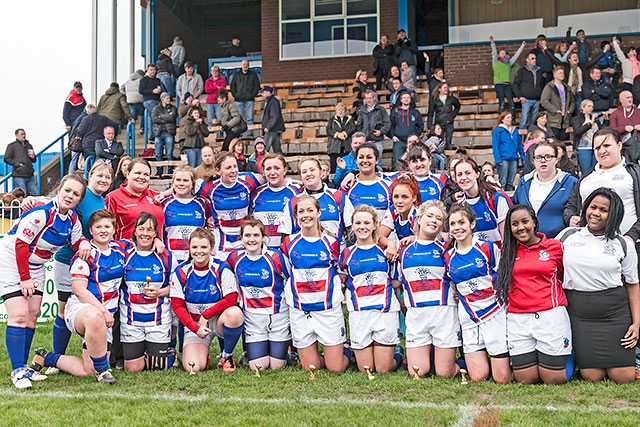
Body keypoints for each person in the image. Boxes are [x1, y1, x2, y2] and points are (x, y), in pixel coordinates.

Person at [0, 174, 90, 388]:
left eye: (76, 194)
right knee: (19, 315)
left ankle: (25, 369)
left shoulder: (72, 219)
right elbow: (21, 245)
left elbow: (77, 242)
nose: (70, 196)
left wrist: (85, 241)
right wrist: (25, 279)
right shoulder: (42, 211)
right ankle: (17, 371)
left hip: (37, 264)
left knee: (32, 316)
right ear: (59, 189)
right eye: (67, 190)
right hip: (13, 259)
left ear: (79, 200)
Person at [29, 209, 124, 384]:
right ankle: (104, 371)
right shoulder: (85, 254)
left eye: (107, 226)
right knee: (95, 315)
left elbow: (142, 242)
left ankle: (46, 357)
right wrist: (103, 311)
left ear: (114, 229)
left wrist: (156, 240)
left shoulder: (121, 249)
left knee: (88, 370)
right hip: (82, 310)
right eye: (98, 227)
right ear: (91, 230)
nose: (103, 230)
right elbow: (79, 290)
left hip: (105, 318)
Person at [558, 188, 639, 384]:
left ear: (614, 215)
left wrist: (637, 323)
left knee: (624, 377)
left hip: (615, 313)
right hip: (580, 314)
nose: (596, 213)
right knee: (591, 376)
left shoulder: (623, 244)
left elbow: (633, 284)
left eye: (604, 210)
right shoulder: (568, 235)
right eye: (593, 207)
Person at [496, 205, 572, 384]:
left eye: (525, 221)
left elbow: (564, 275)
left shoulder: (554, 247)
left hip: (550, 317)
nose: (520, 227)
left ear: (534, 222)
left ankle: (566, 354)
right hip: (518, 319)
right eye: (514, 224)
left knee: (553, 380)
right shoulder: (506, 251)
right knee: (525, 380)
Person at [281, 195, 351, 373]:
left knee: (335, 368)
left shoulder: (332, 242)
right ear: (296, 216)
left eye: (310, 210)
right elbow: (288, 271)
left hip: (327, 310)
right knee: (311, 368)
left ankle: (349, 351)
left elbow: (341, 270)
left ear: (319, 212)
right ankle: (321, 355)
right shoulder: (289, 242)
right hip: (301, 309)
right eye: (301, 211)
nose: (306, 215)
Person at [443, 203, 512, 384]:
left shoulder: (488, 248)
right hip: (469, 316)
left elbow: (505, 278)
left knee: (502, 379)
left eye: (461, 222)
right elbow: (451, 283)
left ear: (472, 224)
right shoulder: (448, 256)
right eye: (453, 224)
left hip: (493, 312)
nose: (457, 228)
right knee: (477, 377)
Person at [394, 200, 461, 378]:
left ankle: (465, 363)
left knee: (444, 373)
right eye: (429, 216)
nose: (433, 220)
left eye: (438, 218)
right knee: (418, 372)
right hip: (417, 315)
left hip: (444, 313)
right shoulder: (403, 250)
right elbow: (397, 283)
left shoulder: (448, 249)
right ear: (419, 219)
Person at [170, 227, 244, 372]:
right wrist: (195, 328)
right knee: (194, 367)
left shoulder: (221, 268)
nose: (199, 251)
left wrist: (206, 314)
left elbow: (231, 299)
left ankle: (227, 356)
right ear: (189, 248)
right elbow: (177, 307)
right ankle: (202, 353)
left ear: (211, 248)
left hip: (217, 321)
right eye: (195, 247)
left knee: (235, 314)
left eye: (204, 247)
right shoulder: (181, 271)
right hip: (195, 324)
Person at [339, 205, 402, 374]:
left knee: (382, 369)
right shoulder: (346, 254)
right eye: (358, 222)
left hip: (384, 311)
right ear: (352, 226)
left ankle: (398, 354)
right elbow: (342, 279)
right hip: (359, 313)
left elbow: (396, 281)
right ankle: (349, 348)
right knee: (366, 368)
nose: (362, 226)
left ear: (375, 225)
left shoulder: (386, 251)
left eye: (367, 222)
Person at [227, 219, 290, 371]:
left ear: (263, 237)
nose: (252, 239)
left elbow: (291, 278)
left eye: (256, 235)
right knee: (258, 367)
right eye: (247, 235)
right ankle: (251, 352)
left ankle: (289, 351)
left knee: (276, 367)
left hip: (277, 317)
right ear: (241, 238)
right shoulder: (234, 258)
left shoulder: (276, 257)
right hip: (253, 319)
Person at [564, 128, 640, 245]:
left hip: (629, 244)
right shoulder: (587, 176)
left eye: (607, 145)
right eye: (597, 148)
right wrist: (570, 218)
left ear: (619, 145)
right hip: (589, 245)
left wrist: (632, 236)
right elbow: (570, 205)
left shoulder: (634, 173)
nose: (602, 151)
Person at [120, 212, 174, 372]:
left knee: (156, 368)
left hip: (158, 321)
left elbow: (177, 286)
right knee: (133, 369)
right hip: (131, 321)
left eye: (150, 230)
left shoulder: (166, 256)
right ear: (135, 231)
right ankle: (139, 353)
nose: (145, 233)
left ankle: (170, 352)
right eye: (141, 229)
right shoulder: (123, 253)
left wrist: (160, 292)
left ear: (156, 233)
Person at [196, 152, 262, 259]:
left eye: (235, 166)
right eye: (228, 167)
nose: (233, 170)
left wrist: (295, 182)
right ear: (218, 170)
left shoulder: (248, 180)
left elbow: (271, 178)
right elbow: (185, 184)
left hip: (244, 238)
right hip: (221, 240)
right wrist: (165, 194)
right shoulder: (209, 187)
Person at [512, 141, 578, 239]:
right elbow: (515, 208)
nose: (543, 161)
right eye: (538, 157)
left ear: (556, 159)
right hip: (527, 244)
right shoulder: (524, 182)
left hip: (558, 242)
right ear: (533, 161)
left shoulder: (570, 182)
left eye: (548, 156)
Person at [280, 158, 345, 241]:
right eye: (304, 172)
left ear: (321, 172)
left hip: (335, 252)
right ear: (300, 177)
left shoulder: (338, 196)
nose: (308, 174)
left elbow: (351, 229)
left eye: (312, 170)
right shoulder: (294, 201)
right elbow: (285, 235)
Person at [453, 157, 512, 244]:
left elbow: (507, 238)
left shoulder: (496, 198)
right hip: (476, 255)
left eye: (468, 173)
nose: (464, 177)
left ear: (477, 174)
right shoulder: (459, 206)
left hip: (499, 254)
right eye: (459, 174)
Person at [105, 158, 164, 240]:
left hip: (156, 251)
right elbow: (107, 230)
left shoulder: (157, 195)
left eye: (146, 174)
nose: (142, 177)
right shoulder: (112, 198)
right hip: (126, 251)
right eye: (137, 173)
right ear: (128, 174)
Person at [251, 154, 299, 250]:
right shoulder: (256, 193)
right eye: (268, 169)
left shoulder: (296, 192)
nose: (272, 172)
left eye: (277, 168)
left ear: (285, 170)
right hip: (261, 252)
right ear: (263, 171)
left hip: (287, 252)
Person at [342, 144, 392, 227]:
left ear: (376, 160)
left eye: (369, 157)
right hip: (357, 237)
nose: (365, 160)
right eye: (361, 157)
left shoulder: (389, 185)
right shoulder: (347, 185)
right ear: (356, 160)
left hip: (384, 237)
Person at [490, 36, 527, 113]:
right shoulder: (496, 62)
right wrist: (492, 42)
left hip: (507, 84)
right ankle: (501, 116)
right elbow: (493, 52)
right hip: (499, 84)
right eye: (502, 53)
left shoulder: (508, 63)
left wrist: (522, 46)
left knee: (511, 102)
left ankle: (512, 118)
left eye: (504, 53)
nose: (503, 54)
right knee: (502, 102)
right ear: (499, 54)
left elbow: (516, 55)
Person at [491, 110, 524, 191]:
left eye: (510, 117)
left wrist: (523, 156)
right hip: (503, 158)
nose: (510, 119)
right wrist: (498, 160)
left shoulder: (514, 130)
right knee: (503, 181)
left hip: (514, 157)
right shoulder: (498, 130)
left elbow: (519, 144)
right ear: (502, 119)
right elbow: (495, 146)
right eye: (507, 117)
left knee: (510, 181)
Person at [540, 66, 575, 141]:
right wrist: (555, 110)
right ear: (554, 75)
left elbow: (572, 101)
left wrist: (570, 110)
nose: (562, 74)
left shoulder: (567, 87)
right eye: (560, 73)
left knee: (564, 142)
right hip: (554, 120)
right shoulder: (549, 87)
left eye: (563, 73)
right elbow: (544, 101)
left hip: (565, 120)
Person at [391, 91, 424, 168]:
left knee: (414, 160)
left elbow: (421, 126)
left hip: (412, 142)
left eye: (408, 98)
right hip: (399, 141)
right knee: (397, 162)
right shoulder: (395, 112)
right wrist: (392, 136)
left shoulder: (415, 112)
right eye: (404, 98)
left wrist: (416, 136)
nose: (406, 99)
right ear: (401, 100)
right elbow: (391, 125)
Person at [355, 90, 391, 161]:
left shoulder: (381, 110)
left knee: (377, 161)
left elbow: (387, 123)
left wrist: (380, 132)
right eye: (367, 98)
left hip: (377, 141)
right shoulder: (361, 110)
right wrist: (362, 134)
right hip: (365, 141)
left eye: (370, 98)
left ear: (374, 98)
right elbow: (359, 125)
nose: (368, 100)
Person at [230, 59, 261, 137]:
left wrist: (252, 95)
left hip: (249, 100)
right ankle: (239, 133)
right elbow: (232, 86)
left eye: (247, 64)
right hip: (238, 100)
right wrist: (235, 95)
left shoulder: (253, 74)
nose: (245, 66)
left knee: (249, 118)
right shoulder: (236, 75)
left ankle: (249, 133)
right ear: (241, 65)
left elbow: (257, 86)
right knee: (238, 118)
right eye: (244, 64)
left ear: (249, 65)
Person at [513, 53, 544, 130]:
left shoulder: (539, 71)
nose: (534, 60)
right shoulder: (521, 71)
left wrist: (541, 97)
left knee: (534, 120)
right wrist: (519, 96)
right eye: (532, 58)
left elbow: (542, 85)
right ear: (527, 60)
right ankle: (521, 139)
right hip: (526, 99)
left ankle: (532, 137)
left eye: (535, 58)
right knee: (524, 119)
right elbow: (515, 84)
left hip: (537, 99)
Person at [427, 82, 460, 151]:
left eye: (447, 87)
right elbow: (430, 113)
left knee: (448, 141)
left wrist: (452, 115)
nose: (446, 89)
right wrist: (429, 126)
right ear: (439, 89)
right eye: (444, 87)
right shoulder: (434, 99)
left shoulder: (451, 98)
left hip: (449, 123)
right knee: (440, 142)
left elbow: (457, 106)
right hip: (439, 123)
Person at [151, 92, 178, 176]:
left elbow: (172, 118)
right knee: (158, 154)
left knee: (169, 153)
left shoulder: (173, 108)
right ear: (162, 99)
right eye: (167, 98)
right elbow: (154, 119)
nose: (169, 100)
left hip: (169, 133)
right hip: (158, 133)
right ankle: (159, 171)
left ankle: (170, 171)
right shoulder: (156, 108)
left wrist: (161, 116)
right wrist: (166, 117)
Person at [5, 129, 38, 196]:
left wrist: (33, 157)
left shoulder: (29, 145)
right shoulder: (12, 146)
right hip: (19, 175)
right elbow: (6, 158)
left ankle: (36, 206)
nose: (24, 136)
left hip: (30, 174)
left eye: (24, 134)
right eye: (22, 134)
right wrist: (17, 164)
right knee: (21, 195)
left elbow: (34, 160)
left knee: (36, 193)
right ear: (16, 135)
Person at [326, 102, 357, 174]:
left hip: (346, 147)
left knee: (347, 166)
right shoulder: (332, 119)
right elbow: (329, 130)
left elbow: (353, 128)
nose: (340, 111)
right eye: (339, 109)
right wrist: (337, 135)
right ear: (336, 111)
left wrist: (344, 134)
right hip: (334, 147)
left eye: (342, 109)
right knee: (334, 168)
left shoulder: (349, 119)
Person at [572, 100, 599, 174]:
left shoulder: (594, 118)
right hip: (583, 147)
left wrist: (606, 121)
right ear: (582, 107)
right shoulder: (576, 119)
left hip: (595, 147)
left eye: (592, 106)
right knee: (586, 170)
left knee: (596, 170)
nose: (591, 108)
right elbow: (578, 131)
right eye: (589, 106)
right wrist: (590, 123)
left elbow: (600, 131)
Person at [138, 64, 162, 141]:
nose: (153, 71)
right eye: (151, 70)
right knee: (155, 115)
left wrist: (159, 91)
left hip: (157, 100)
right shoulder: (143, 80)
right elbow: (141, 90)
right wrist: (152, 91)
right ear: (147, 70)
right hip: (148, 101)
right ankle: (153, 135)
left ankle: (157, 134)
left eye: (154, 70)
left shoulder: (157, 80)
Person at [260, 85, 285, 155]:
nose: (262, 94)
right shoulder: (272, 101)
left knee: (264, 149)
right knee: (277, 150)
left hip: (272, 129)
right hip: (275, 129)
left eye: (263, 92)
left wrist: (268, 127)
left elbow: (274, 116)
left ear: (268, 92)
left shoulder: (273, 102)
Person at [120, 70, 146, 134]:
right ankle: (142, 128)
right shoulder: (142, 80)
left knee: (131, 116)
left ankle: (130, 132)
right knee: (144, 113)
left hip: (130, 101)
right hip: (139, 100)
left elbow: (121, 88)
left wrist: (126, 94)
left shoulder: (128, 81)